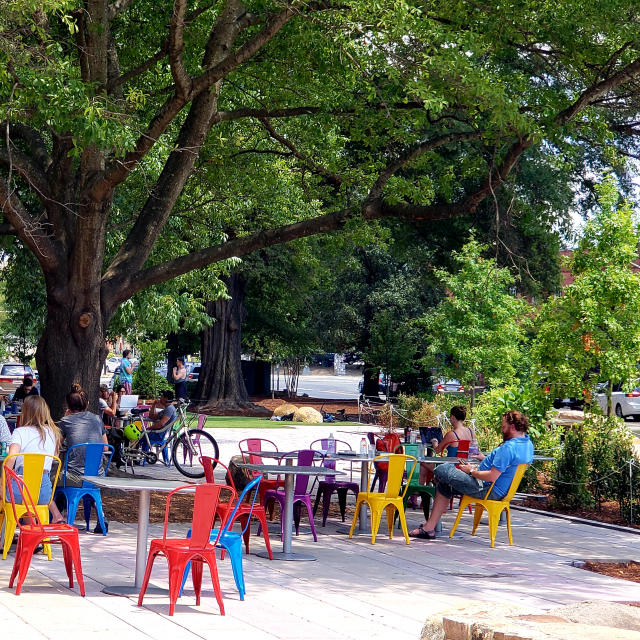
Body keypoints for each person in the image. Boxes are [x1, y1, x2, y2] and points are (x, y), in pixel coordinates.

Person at [409, 410, 534, 540]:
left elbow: (492, 476)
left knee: (444, 469)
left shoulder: (509, 447)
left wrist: (471, 471)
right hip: (501, 490)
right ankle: (429, 529)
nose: (502, 430)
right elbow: (507, 467)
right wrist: (485, 459)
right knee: (444, 484)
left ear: (512, 427)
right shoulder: (527, 444)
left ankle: (429, 483)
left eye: (503, 427)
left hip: (486, 488)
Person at [5, 395, 65, 523]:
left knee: (6, 491)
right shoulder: (53, 432)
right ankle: (30, 530)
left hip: (20, 492)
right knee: (31, 489)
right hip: (44, 494)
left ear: (25, 412)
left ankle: (4, 537)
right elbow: (55, 457)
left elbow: (11, 457)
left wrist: (3, 481)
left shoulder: (20, 432)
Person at [58, 384, 109, 487]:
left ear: (68, 406)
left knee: (53, 479)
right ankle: (93, 502)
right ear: (87, 404)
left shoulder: (66, 421)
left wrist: (65, 417)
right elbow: (106, 447)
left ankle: (65, 502)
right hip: (98, 476)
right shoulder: (98, 419)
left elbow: (57, 444)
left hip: (74, 476)